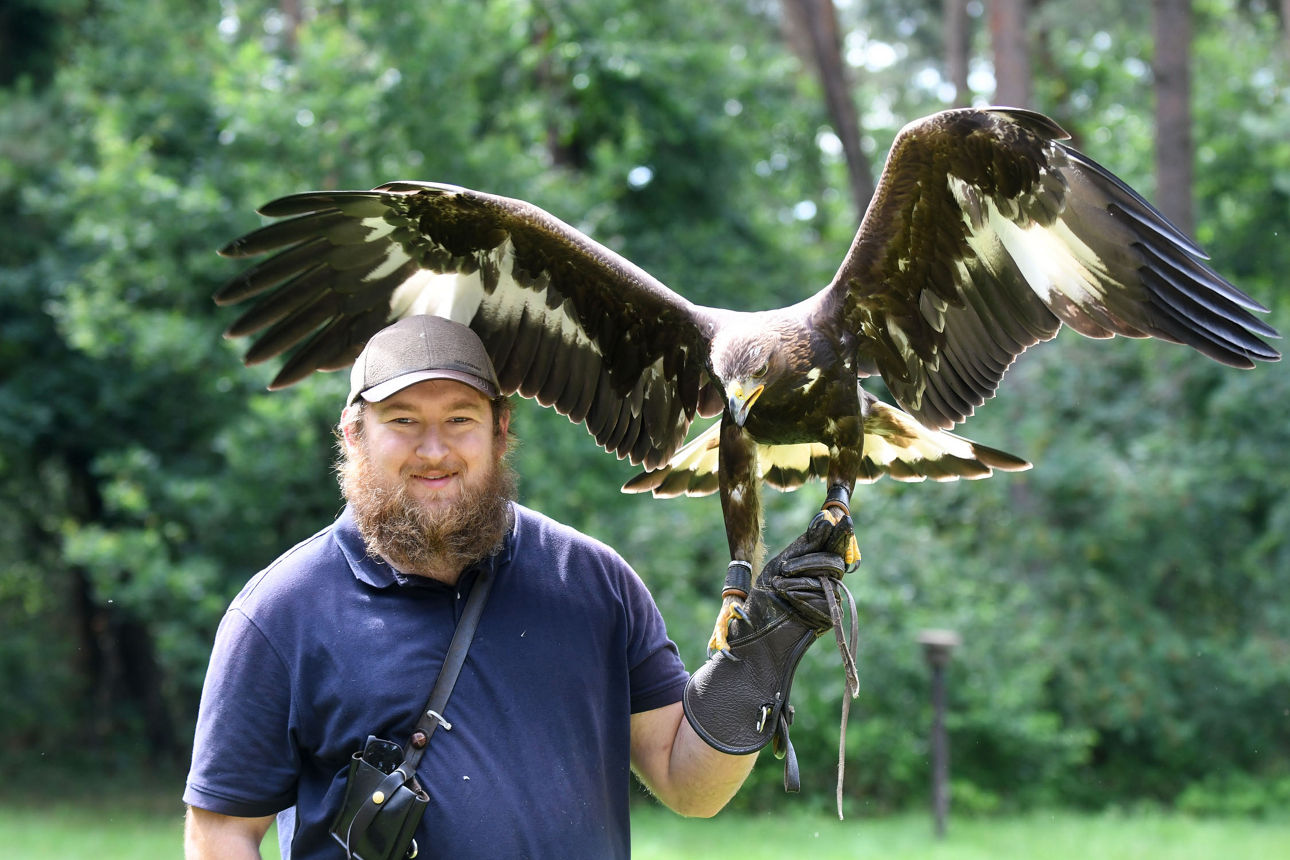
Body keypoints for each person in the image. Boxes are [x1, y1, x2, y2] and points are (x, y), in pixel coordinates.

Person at [183, 315, 850, 859]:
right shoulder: (280, 614)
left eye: (460, 420)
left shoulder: (593, 582)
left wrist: (758, 657)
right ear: (353, 437)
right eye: (404, 421)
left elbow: (689, 787)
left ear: (501, 431)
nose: (435, 450)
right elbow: (221, 835)